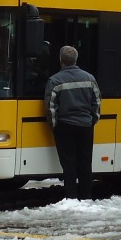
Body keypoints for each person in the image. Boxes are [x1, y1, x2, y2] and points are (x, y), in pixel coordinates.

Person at [44, 45, 102, 200]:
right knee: (85, 162)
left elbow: (51, 107)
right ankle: (86, 196)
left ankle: (71, 197)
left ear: (61, 60)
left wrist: (55, 125)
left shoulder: (54, 80)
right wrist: (92, 120)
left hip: (65, 126)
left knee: (69, 163)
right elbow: (96, 103)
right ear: (76, 60)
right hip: (85, 126)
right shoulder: (90, 79)